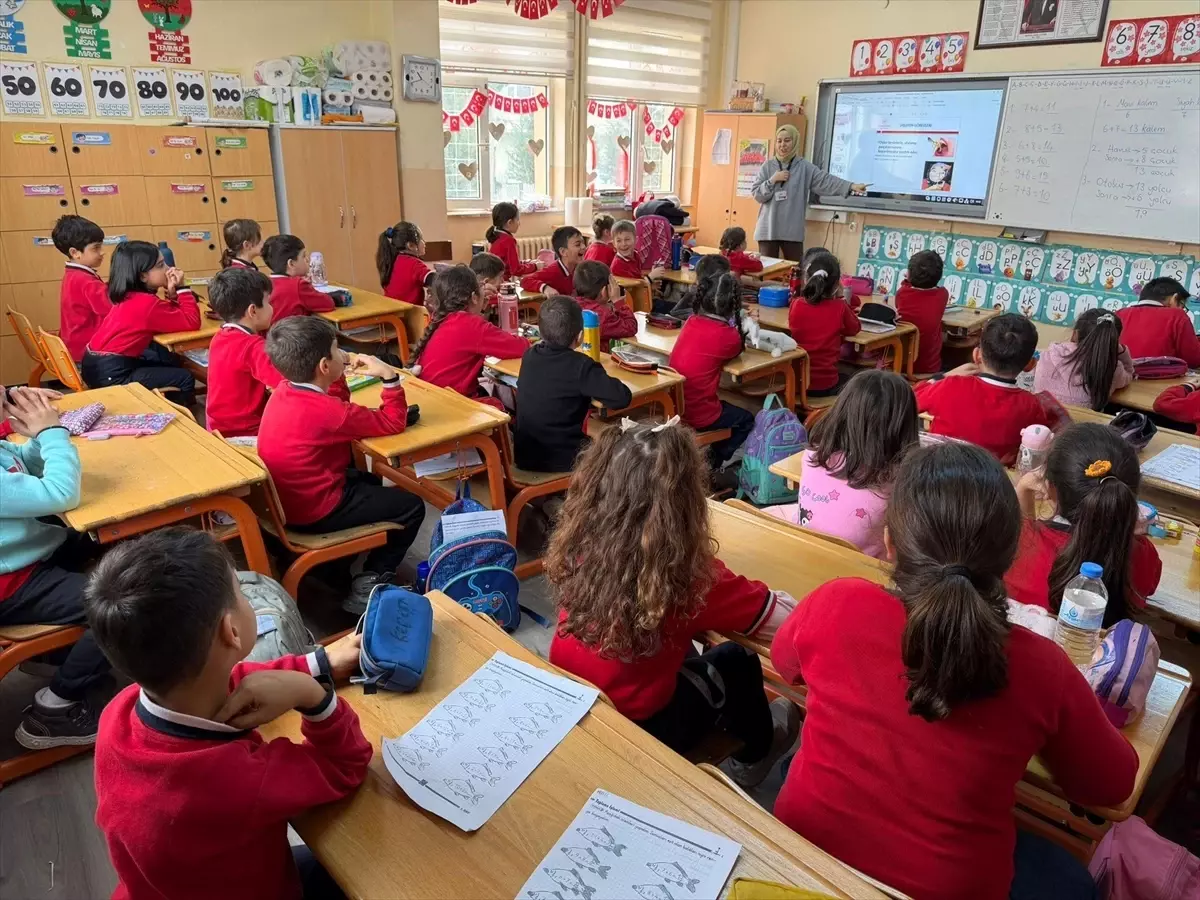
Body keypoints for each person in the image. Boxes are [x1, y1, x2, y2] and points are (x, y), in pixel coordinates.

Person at [770, 442, 1138, 900]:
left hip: (802, 863)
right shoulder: (1044, 666)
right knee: (1070, 879)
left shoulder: (836, 601)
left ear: (890, 542)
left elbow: (785, 665)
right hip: (939, 886)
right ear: (1009, 559)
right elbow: (1112, 785)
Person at [86, 527, 371, 900]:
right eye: (242, 593)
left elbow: (225, 677)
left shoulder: (119, 712)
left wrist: (319, 663)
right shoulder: (236, 777)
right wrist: (312, 696)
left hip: (159, 890)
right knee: (363, 865)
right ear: (231, 630)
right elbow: (346, 766)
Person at [547, 422, 800, 787]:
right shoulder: (687, 577)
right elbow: (784, 619)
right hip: (645, 729)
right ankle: (755, 756)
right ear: (688, 502)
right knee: (737, 660)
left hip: (577, 702)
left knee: (681, 648)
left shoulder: (577, 548)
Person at [259, 317, 425, 612]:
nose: (344, 354)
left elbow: (336, 404)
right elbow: (393, 421)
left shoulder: (283, 390)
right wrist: (388, 376)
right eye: (338, 349)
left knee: (368, 481)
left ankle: (333, 568)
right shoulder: (329, 412)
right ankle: (369, 581)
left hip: (285, 503)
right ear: (324, 365)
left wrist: (339, 368)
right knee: (412, 506)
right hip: (316, 510)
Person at [0, 387, 112, 749]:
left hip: (23, 554)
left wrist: (38, 439)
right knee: (121, 605)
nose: (8, 393)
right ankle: (56, 706)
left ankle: (55, 653)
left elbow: (21, 463)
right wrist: (52, 433)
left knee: (104, 536)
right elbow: (62, 494)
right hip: (12, 584)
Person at [1007, 423, 1161, 625]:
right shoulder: (1142, 554)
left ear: (1050, 489)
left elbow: (1021, 533)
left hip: (1029, 642)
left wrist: (1022, 490)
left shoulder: (1016, 546)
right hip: (1098, 645)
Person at [764, 370, 918, 559]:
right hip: (861, 568)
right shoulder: (899, 479)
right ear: (904, 426)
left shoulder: (813, 455)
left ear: (842, 409)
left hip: (805, 552)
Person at [513, 296, 633, 472]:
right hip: (565, 459)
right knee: (616, 452)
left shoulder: (530, 355)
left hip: (524, 456)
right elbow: (622, 397)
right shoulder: (581, 366)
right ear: (580, 336)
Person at [915, 313, 1050, 464]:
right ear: (1030, 365)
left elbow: (908, 400)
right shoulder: (1032, 405)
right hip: (991, 477)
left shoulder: (950, 385)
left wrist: (942, 377)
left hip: (937, 471)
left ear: (977, 355)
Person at [81, 241, 199, 405]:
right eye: (161, 265)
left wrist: (173, 295)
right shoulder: (147, 304)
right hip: (113, 374)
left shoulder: (129, 295)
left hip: (95, 366)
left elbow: (170, 316)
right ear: (143, 276)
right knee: (184, 377)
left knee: (168, 361)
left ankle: (166, 406)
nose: (168, 269)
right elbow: (192, 321)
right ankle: (182, 419)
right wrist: (183, 288)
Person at [669, 271, 754, 474]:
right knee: (747, 419)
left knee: (728, 405)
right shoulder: (727, 335)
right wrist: (742, 324)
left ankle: (708, 458)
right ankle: (713, 463)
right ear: (734, 305)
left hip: (677, 406)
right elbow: (737, 348)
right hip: (699, 413)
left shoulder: (691, 321)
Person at [409, 266, 528, 407]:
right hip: (452, 404)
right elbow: (520, 347)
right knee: (498, 404)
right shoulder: (470, 324)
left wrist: (480, 309)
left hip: (432, 398)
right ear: (474, 297)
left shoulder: (441, 318)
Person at [750, 124, 867, 260]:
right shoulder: (767, 166)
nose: (782, 145)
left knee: (795, 269)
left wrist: (850, 186)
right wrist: (772, 180)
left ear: (795, 142)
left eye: (787, 140)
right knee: (768, 269)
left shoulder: (804, 167)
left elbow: (826, 181)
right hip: (768, 230)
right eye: (779, 141)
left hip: (792, 231)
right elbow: (757, 195)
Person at [203, 268, 283, 439]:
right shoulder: (252, 346)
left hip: (218, 427)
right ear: (253, 311)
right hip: (246, 432)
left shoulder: (220, 336)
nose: (272, 307)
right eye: (268, 302)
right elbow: (286, 381)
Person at [788, 251, 861, 397]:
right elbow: (855, 328)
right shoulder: (839, 307)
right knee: (856, 376)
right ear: (837, 284)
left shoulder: (796, 304)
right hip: (825, 385)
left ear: (806, 279)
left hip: (797, 383)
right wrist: (841, 297)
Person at [1034, 309, 1134, 411]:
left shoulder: (1048, 355)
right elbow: (1129, 373)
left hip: (1042, 418)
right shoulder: (1112, 369)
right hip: (1083, 421)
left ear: (1075, 334)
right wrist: (1120, 349)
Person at [53, 214, 110, 363]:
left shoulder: (73, 274)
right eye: (96, 248)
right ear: (75, 253)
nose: (102, 252)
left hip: (75, 349)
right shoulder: (86, 280)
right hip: (89, 353)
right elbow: (111, 308)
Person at [1115, 277, 1200, 365]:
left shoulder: (1119, 314)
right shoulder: (1177, 316)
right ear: (1174, 298)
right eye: (1182, 306)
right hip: (1159, 373)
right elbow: (1194, 359)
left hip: (1120, 372)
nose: (1182, 309)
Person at [895, 250, 950, 375]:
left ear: (908, 274)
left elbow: (905, 287)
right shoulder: (943, 294)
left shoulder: (902, 294)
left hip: (899, 366)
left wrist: (907, 280)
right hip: (930, 368)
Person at [262, 234, 335, 326]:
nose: (307, 260)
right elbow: (328, 303)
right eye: (303, 256)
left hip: (273, 334)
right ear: (291, 264)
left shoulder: (265, 283)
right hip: (295, 334)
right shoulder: (298, 285)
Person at [572, 261, 636, 351]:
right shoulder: (603, 315)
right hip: (597, 358)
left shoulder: (570, 305)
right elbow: (631, 327)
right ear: (604, 291)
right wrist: (618, 302)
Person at [377, 221, 435, 306]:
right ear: (411, 246)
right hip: (408, 313)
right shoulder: (413, 264)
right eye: (421, 239)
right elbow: (433, 279)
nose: (424, 242)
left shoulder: (393, 261)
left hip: (391, 310)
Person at [520, 226, 586, 297]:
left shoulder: (583, 268)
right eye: (578, 245)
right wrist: (545, 288)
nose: (584, 247)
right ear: (563, 252)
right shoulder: (553, 271)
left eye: (583, 243)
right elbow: (525, 281)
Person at [486, 201, 539, 279]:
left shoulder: (497, 235)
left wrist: (525, 262)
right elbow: (516, 270)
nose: (519, 223)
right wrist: (535, 266)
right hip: (500, 281)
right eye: (517, 220)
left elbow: (508, 263)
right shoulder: (508, 240)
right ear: (509, 222)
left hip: (494, 279)